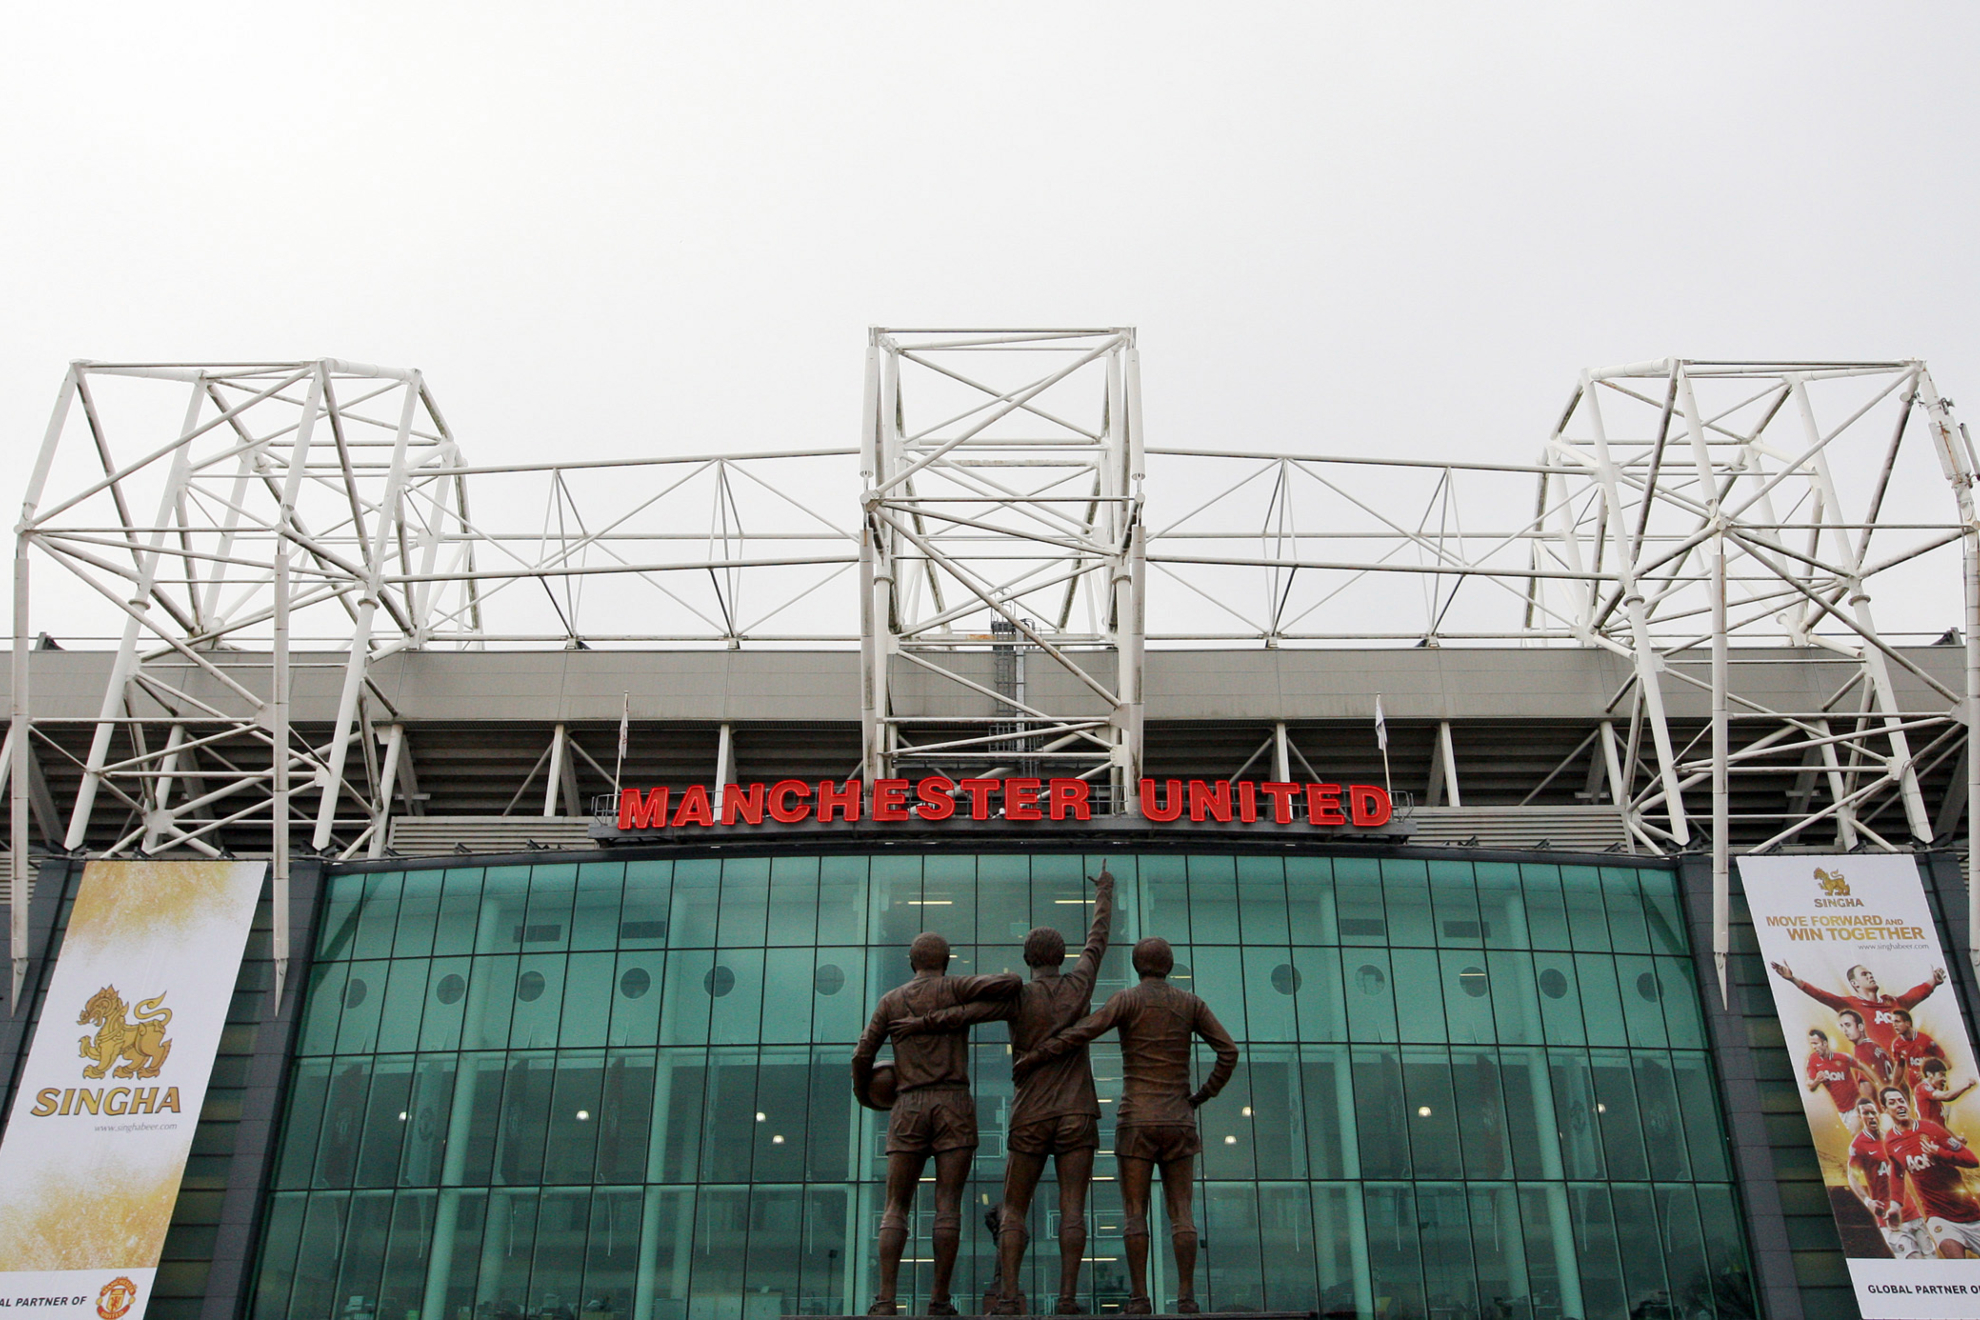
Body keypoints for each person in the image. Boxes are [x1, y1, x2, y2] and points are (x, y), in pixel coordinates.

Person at [891, 867, 1116, 1315]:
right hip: (1077, 1111)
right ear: (1060, 955)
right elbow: (1098, 941)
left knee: (1014, 1207)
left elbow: (965, 1014)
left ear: (1029, 959)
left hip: (1030, 1112)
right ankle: (1068, 1299)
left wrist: (919, 1023)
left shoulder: (1018, 998)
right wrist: (1105, 894)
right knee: (1074, 1208)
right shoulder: (1079, 984)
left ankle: (1009, 1296)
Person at [1015, 936, 1239, 1316]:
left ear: (1137, 966)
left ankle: (1139, 1298)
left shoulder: (1126, 1000)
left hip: (1136, 1119)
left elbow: (1082, 1032)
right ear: (1168, 966)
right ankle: (1186, 1298)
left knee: (1135, 1212)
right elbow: (1228, 1052)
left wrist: (1037, 1055)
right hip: (1178, 1118)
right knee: (1181, 1212)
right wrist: (1201, 1095)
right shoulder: (1190, 1003)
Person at [852, 934, 1022, 1316]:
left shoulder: (891, 1000)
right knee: (947, 1206)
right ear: (946, 961)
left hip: (908, 1103)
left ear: (913, 962)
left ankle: (884, 1300)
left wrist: (866, 1096)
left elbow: (863, 1052)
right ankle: (939, 1300)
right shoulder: (955, 987)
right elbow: (1011, 984)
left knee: (896, 1205)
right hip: (953, 1103)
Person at [1879, 1085, 1980, 1259]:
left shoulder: (1930, 1129)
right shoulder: (1891, 1141)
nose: (1899, 1105)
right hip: (1939, 1216)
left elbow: (1972, 1160)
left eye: (1902, 1101)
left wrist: (1940, 1153)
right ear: (1885, 1109)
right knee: (1960, 1268)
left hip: (1969, 1214)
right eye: (1892, 1102)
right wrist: (1895, 1207)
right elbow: (1897, 1174)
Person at [1769, 961, 1947, 1053]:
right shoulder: (1850, 1005)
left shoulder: (1893, 1003)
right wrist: (1793, 979)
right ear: (1854, 983)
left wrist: (1934, 981)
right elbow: (1822, 995)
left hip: (1907, 1063)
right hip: (1878, 1068)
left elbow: (1915, 994)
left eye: (1870, 973)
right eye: (1864, 974)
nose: (1870, 976)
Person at [1844, 1096, 1929, 1259]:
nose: (1870, 1117)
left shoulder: (1892, 1138)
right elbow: (1852, 1176)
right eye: (1865, 1113)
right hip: (1888, 1218)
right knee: (1916, 1263)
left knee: (1933, 1261)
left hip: (1912, 1212)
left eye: (1872, 1112)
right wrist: (1868, 1201)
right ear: (1861, 1117)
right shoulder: (1858, 1145)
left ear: (1879, 1114)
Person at [1804, 1028, 1874, 1132]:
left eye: (1816, 1043)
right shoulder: (1813, 1060)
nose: (1814, 1047)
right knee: (1862, 1137)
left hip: (1856, 1105)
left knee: (1855, 1132)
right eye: (1812, 1044)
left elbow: (1861, 1066)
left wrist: (1877, 1082)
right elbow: (1810, 1086)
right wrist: (1817, 1081)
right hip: (1842, 1110)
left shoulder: (1842, 1058)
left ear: (1824, 1043)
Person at [1837, 1010, 1899, 1091]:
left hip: (1881, 1099)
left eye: (1848, 1025)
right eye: (1842, 1026)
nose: (1844, 1030)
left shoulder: (1861, 1051)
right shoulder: (1875, 1047)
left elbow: (1866, 1087)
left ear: (1860, 1027)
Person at [1889, 1009, 1949, 1089]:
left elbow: (1947, 1063)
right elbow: (1900, 1066)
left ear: (1908, 1023)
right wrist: (1893, 1087)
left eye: (1897, 1021)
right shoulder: (1897, 1044)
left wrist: (1929, 1074)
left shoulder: (1926, 1040)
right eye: (1893, 1022)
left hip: (1934, 1088)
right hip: (1916, 1088)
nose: (1894, 1025)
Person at [1914, 1057, 1977, 1130]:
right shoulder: (1922, 1088)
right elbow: (1947, 1096)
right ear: (1929, 1074)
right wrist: (1967, 1085)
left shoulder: (1935, 1101)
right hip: (1930, 1136)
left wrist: (1957, 1138)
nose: (1945, 1079)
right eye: (1942, 1075)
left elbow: (1941, 1127)